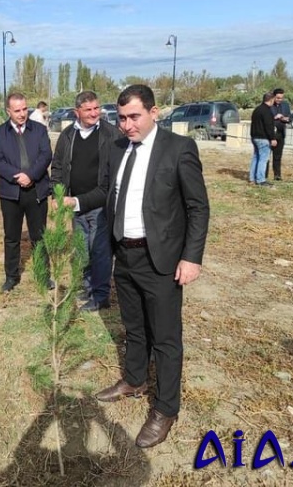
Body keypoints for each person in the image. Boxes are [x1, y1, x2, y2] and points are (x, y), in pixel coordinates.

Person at [94, 84, 209, 449]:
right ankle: (134, 379)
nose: (127, 125)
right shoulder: (117, 149)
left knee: (166, 338)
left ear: (154, 112)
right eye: (122, 117)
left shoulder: (178, 149)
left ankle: (165, 408)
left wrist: (191, 257)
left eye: (134, 117)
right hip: (124, 256)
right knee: (134, 326)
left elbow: (197, 207)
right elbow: (109, 194)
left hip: (160, 259)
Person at [50, 91, 115, 311]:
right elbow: (58, 167)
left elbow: (112, 177)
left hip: (99, 205)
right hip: (74, 206)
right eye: (88, 109)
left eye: (97, 108)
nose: (94, 113)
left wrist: (75, 201)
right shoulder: (68, 135)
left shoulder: (111, 134)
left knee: (99, 251)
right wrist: (56, 194)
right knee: (81, 250)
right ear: (77, 111)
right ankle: (87, 289)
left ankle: (101, 295)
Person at [0, 92, 52, 292]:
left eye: (25, 109)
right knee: (11, 236)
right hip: (11, 193)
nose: (22, 114)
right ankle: (11, 276)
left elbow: (45, 155)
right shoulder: (0, 133)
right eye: (17, 110)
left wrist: (31, 176)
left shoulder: (40, 130)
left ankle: (43, 276)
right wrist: (17, 176)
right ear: (8, 111)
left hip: (36, 191)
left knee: (39, 236)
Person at [249, 92, 277, 186]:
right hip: (263, 138)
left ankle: (252, 178)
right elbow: (268, 126)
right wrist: (272, 138)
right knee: (263, 159)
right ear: (271, 100)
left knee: (256, 157)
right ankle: (261, 180)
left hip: (255, 137)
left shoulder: (257, 109)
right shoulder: (267, 111)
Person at [267, 88, 290, 181]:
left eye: (281, 98)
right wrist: (275, 117)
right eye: (278, 98)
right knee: (266, 156)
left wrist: (286, 119)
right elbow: (265, 118)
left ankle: (277, 175)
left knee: (278, 156)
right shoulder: (269, 105)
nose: (280, 100)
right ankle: (264, 175)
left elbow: (289, 117)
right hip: (271, 133)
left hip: (281, 133)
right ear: (274, 96)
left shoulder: (285, 105)